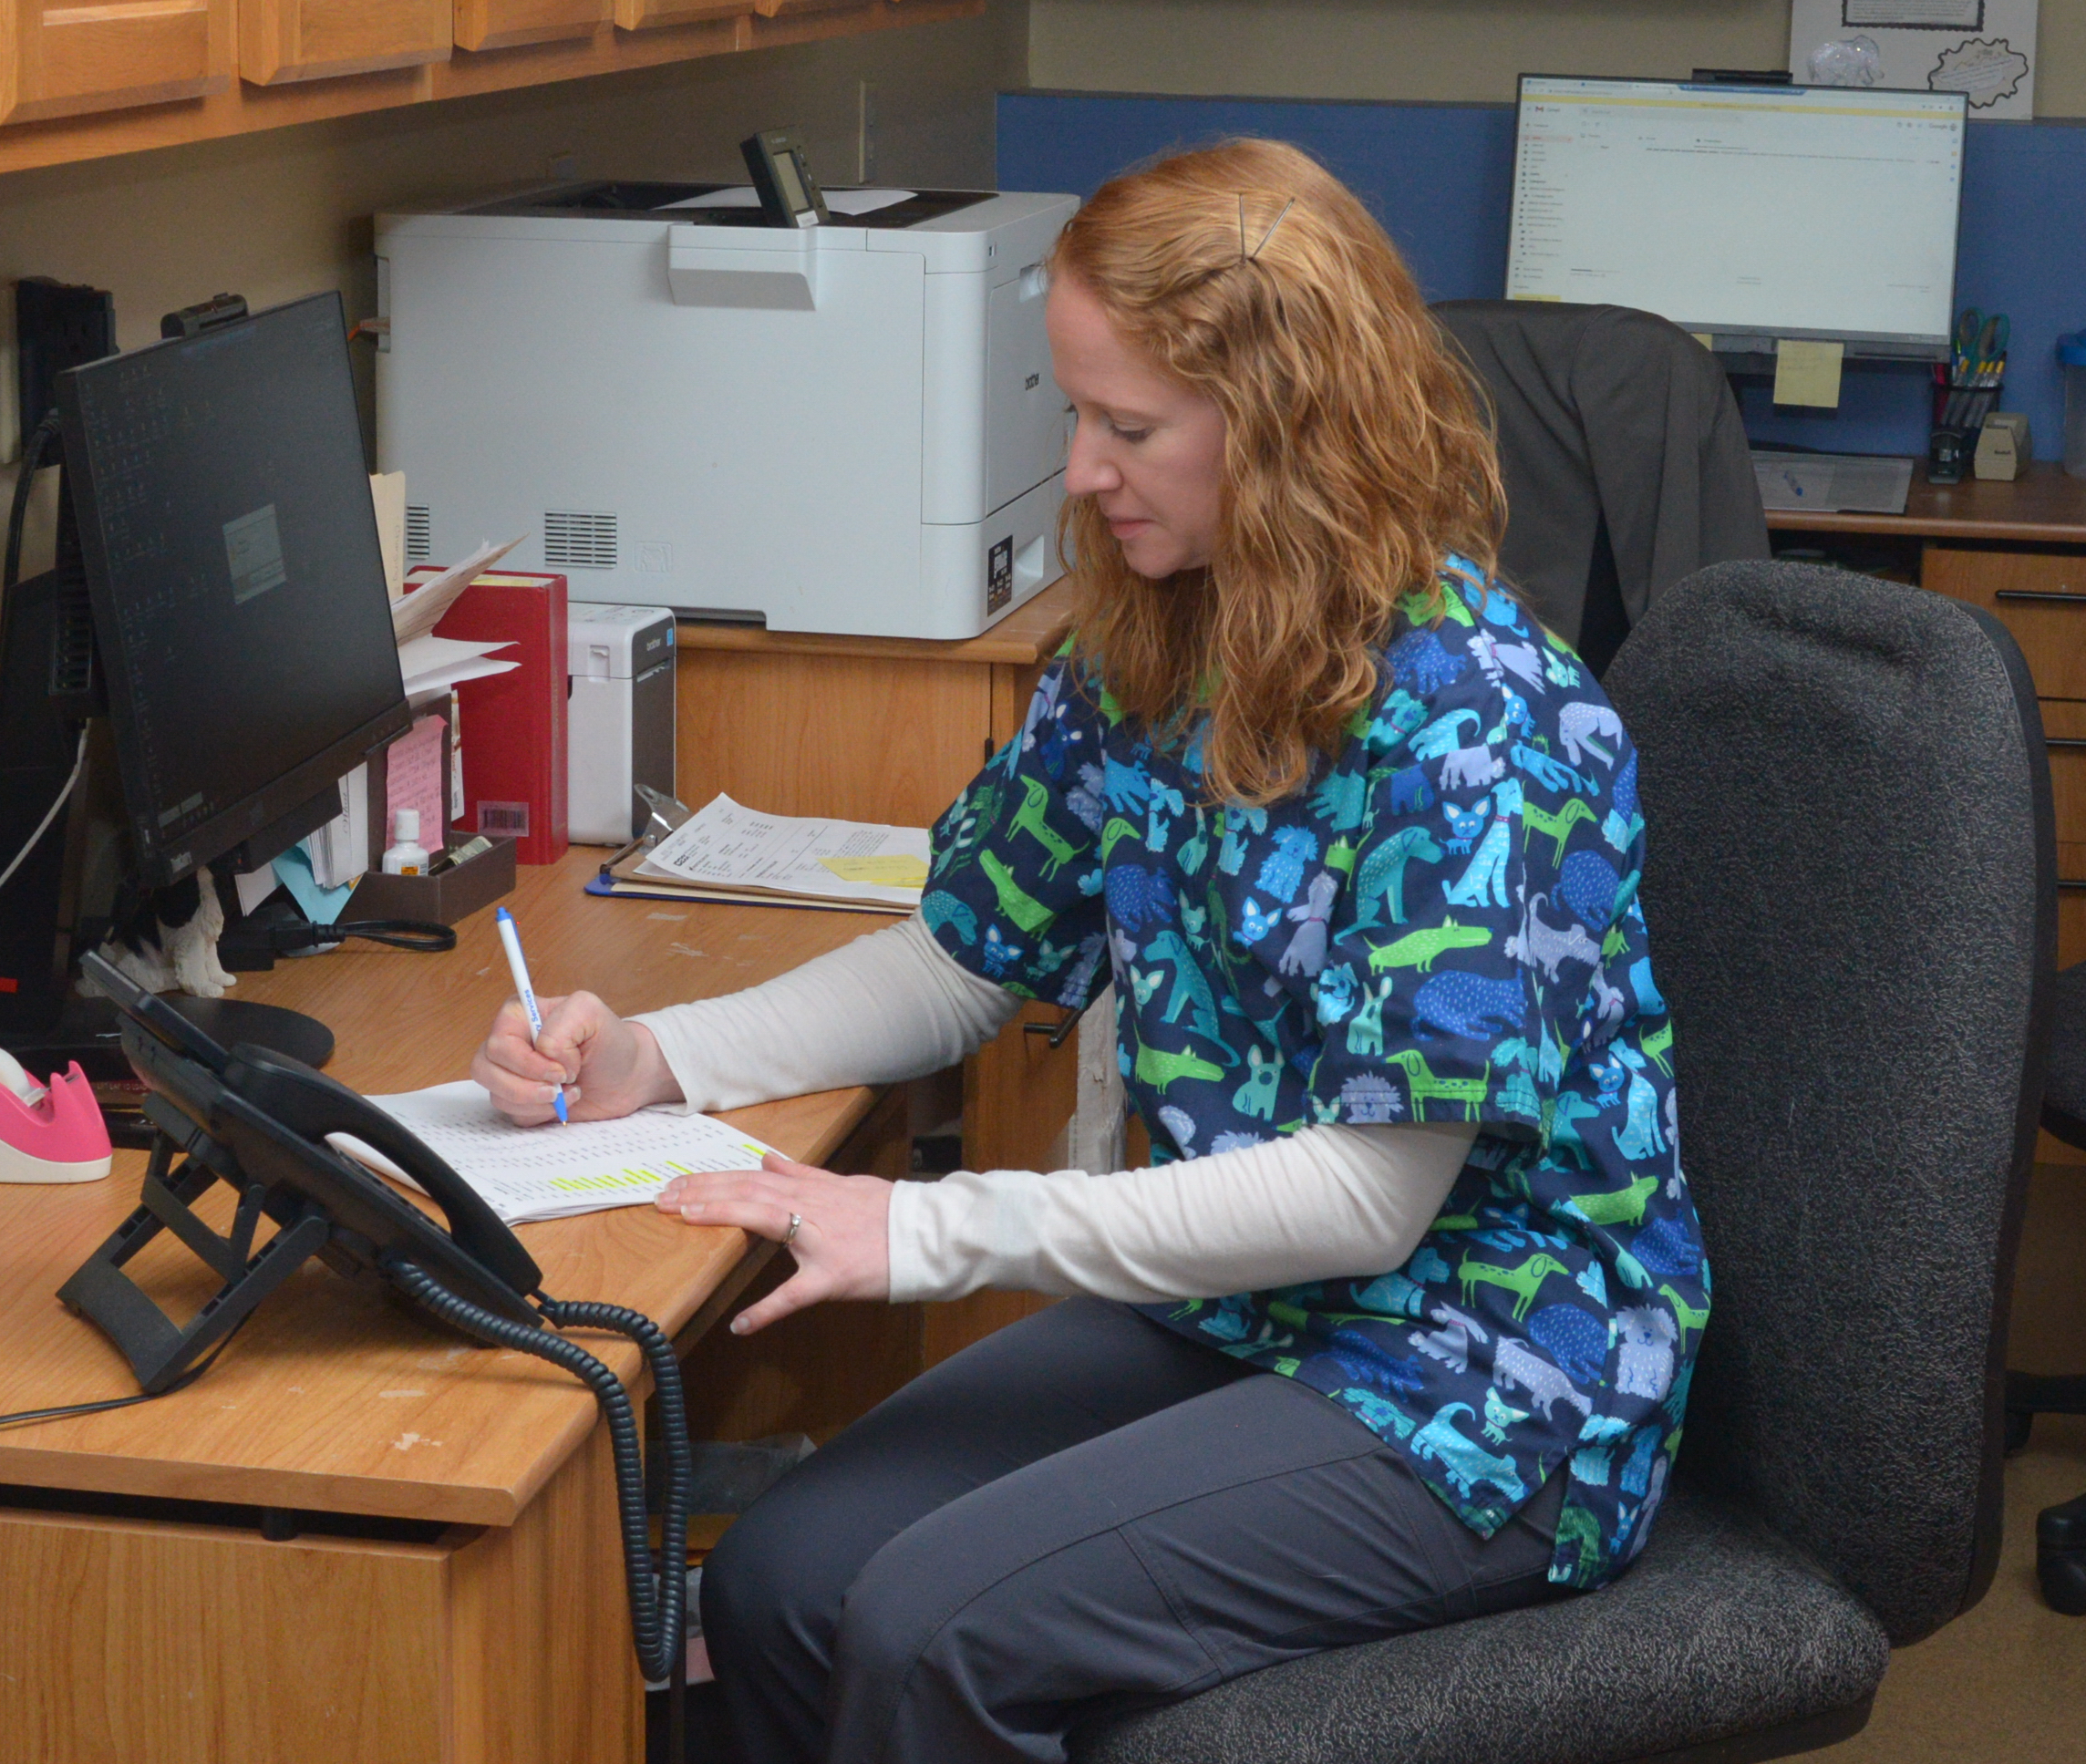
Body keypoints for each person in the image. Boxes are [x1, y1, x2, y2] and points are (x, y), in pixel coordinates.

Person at [470, 139, 1707, 1764]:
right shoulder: (1153, 642)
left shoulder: (1478, 720)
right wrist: (662, 1056)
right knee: (779, 1584)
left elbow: (1366, 1195)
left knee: (934, 1637)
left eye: (1128, 428)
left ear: (1287, 435)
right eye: (1077, 416)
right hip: (1247, 1314)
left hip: (1485, 1373)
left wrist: (930, 1230)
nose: (1080, 470)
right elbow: (962, 957)